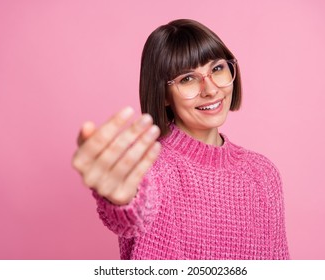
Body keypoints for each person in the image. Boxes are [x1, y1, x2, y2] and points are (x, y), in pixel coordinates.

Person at [72, 19, 290, 260]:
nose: (210, 89)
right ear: (163, 95)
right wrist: (121, 200)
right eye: (187, 78)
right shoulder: (151, 169)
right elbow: (135, 209)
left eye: (217, 68)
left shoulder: (263, 174)